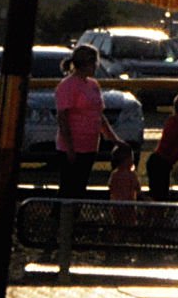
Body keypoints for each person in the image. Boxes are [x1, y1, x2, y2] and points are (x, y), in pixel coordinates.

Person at [55, 44, 121, 200]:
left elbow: (99, 115)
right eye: (94, 63)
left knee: (80, 186)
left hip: (89, 144)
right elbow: (63, 118)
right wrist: (70, 147)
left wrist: (114, 139)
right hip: (72, 146)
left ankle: (72, 218)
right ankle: (60, 219)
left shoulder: (93, 85)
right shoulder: (67, 85)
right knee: (69, 187)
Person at [107, 142, 141, 223]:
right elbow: (138, 188)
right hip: (129, 206)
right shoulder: (132, 175)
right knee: (130, 223)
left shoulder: (114, 174)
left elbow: (111, 187)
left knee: (117, 223)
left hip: (116, 205)